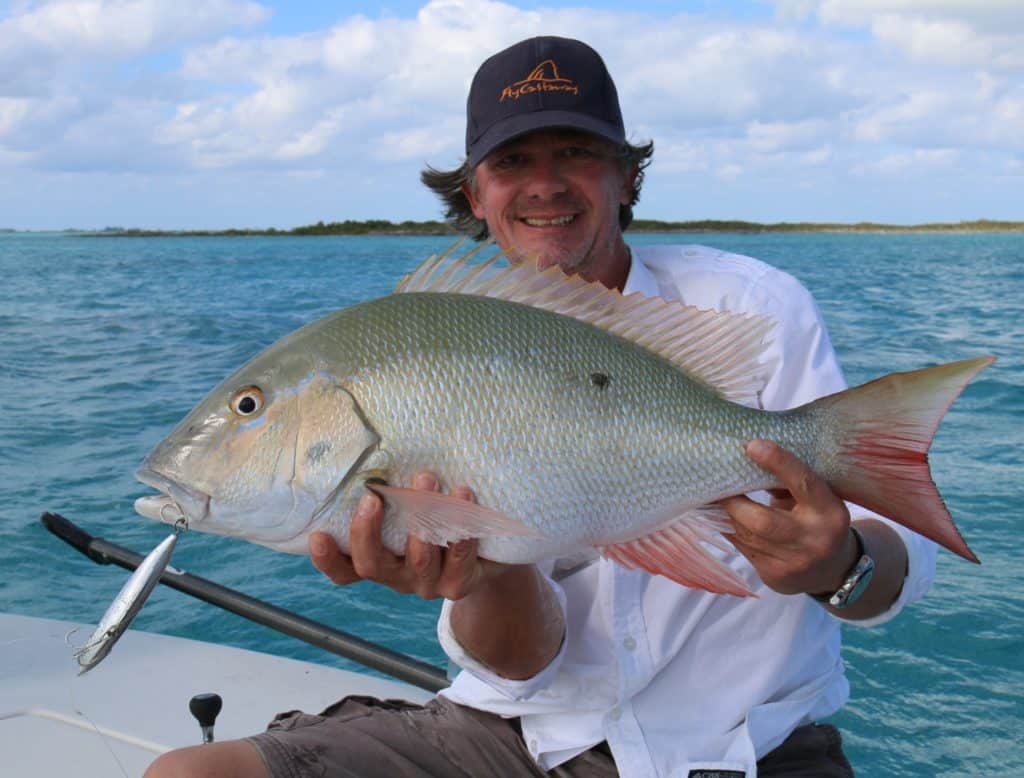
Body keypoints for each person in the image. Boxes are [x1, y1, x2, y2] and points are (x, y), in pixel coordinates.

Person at [147, 36, 934, 778]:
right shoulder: (438, 335)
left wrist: (839, 566)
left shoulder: (749, 309)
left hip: (743, 748)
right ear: (475, 194)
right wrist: (481, 576)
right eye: (513, 159)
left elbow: (891, 571)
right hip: (513, 739)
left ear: (626, 177)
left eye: (577, 154)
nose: (547, 183)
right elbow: (524, 660)